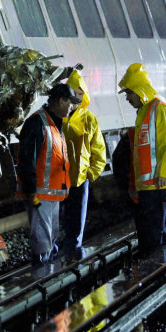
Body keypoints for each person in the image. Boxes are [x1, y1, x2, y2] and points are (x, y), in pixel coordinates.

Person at [117, 63, 166, 250]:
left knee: (156, 237)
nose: (127, 98)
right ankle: (159, 273)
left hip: (159, 183)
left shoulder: (159, 109)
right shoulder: (144, 112)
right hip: (149, 185)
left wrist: (163, 173)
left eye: (129, 93)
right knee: (151, 236)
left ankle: (162, 273)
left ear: (140, 91)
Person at [16, 84, 80, 265]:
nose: (71, 107)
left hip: (51, 194)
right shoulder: (37, 123)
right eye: (70, 103)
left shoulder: (53, 124)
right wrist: (31, 191)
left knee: (50, 236)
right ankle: (41, 274)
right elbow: (27, 159)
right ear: (61, 100)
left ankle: (47, 271)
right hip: (38, 194)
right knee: (42, 238)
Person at [60, 71, 107, 260]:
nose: (77, 97)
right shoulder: (59, 117)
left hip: (80, 178)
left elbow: (98, 148)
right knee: (59, 217)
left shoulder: (89, 119)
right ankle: (59, 250)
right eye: (74, 93)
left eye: (81, 93)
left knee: (76, 218)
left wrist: (92, 172)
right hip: (58, 178)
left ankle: (73, 251)